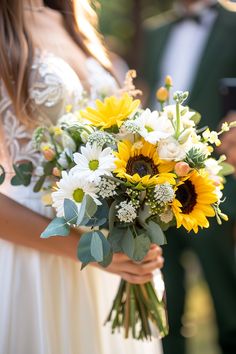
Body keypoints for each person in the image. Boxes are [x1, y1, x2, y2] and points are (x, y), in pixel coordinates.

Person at [0, 1, 164, 353]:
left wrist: (137, 225)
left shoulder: (72, 19)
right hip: (35, 253)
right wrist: (90, 252)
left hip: (107, 244)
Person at [141, 1, 236, 354]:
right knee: (166, 299)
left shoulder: (233, 24)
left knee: (228, 299)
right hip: (157, 183)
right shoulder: (156, 31)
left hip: (218, 184)